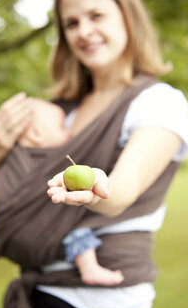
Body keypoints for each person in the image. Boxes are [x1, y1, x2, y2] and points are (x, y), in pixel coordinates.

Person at [0, 0, 188, 308]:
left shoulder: (158, 103)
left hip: (98, 307)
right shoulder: (60, 110)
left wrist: (97, 189)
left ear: (128, 19)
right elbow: (24, 196)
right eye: (71, 23)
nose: (84, 32)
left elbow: (126, 187)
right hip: (38, 293)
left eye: (96, 15)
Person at [18, 97, 123, 286]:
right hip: (43, 223)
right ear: (35, 134)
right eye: (62, 127)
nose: (69, 133)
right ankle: (89, 268)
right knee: (78, 229)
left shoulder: (19, 158)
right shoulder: (43, 159)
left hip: (29, 232)